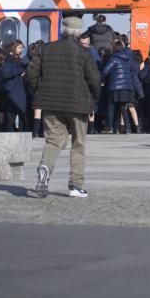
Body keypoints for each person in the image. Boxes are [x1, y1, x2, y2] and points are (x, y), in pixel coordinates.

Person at [29, 17, 101, 198]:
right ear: (78, 33)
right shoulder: (84, 53)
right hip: (78, 104)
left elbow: (30, 74)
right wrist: (94, 99)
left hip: (51, 103)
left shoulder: (45, 49)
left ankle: (45, 168)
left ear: (63, 30)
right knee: (78, 144)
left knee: (53, 141)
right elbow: (94, 80)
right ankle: (75, 186)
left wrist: (40, 91)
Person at [101, 38, 144, 133]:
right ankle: (127, 128)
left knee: (111, 106)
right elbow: (132, 72)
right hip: (127, 86)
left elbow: (105, 71)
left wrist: (102, 80)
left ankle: (110, 127)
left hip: (115, 86)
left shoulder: (114, 58)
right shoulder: (128, 59)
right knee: (123, 106)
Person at [1, 40, 27, 131]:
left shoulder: (17, 59)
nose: (21, 50)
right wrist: (21, 71)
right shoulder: (9, 59)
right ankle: (12, 130)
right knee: (12, 112)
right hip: (13, 89)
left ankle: (16, 129)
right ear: (14, 47)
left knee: (16, 111)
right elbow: (6, 73)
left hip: (16, 89)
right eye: (19, 48)